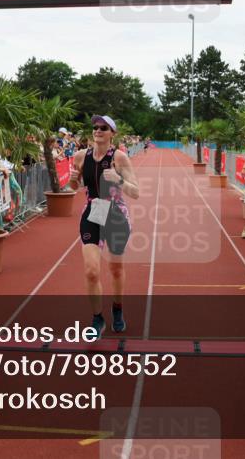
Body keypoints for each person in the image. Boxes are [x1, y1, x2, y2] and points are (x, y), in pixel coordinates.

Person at [69, 115, 140, 337]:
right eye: (95, 127)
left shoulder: (119, 158)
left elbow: (136, 192)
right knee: (91, 271)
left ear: (112, 133)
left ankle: (117, 309)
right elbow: (73, 187)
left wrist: (118, 180)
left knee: (115, 268)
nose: (97, 130)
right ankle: (97, 319)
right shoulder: (81, 157)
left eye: (103, 128)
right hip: (93, 211)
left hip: (116, 212)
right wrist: (72, 180)